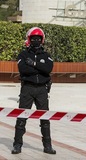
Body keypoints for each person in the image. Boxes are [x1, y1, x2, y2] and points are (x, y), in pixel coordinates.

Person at [12, 27, 56, 155]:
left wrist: (34, 64)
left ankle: (47, 146)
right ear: (29, 39)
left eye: (38, 38)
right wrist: (40, 69)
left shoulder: (46, 55)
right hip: (28, 89)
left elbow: (48, 69)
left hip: (42, 89)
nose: (36, 40)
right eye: (33, 38)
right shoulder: (23, 54)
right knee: (21, 117)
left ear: (42, 40)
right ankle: (17, 144)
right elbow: (23, 70)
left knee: (45, 119)